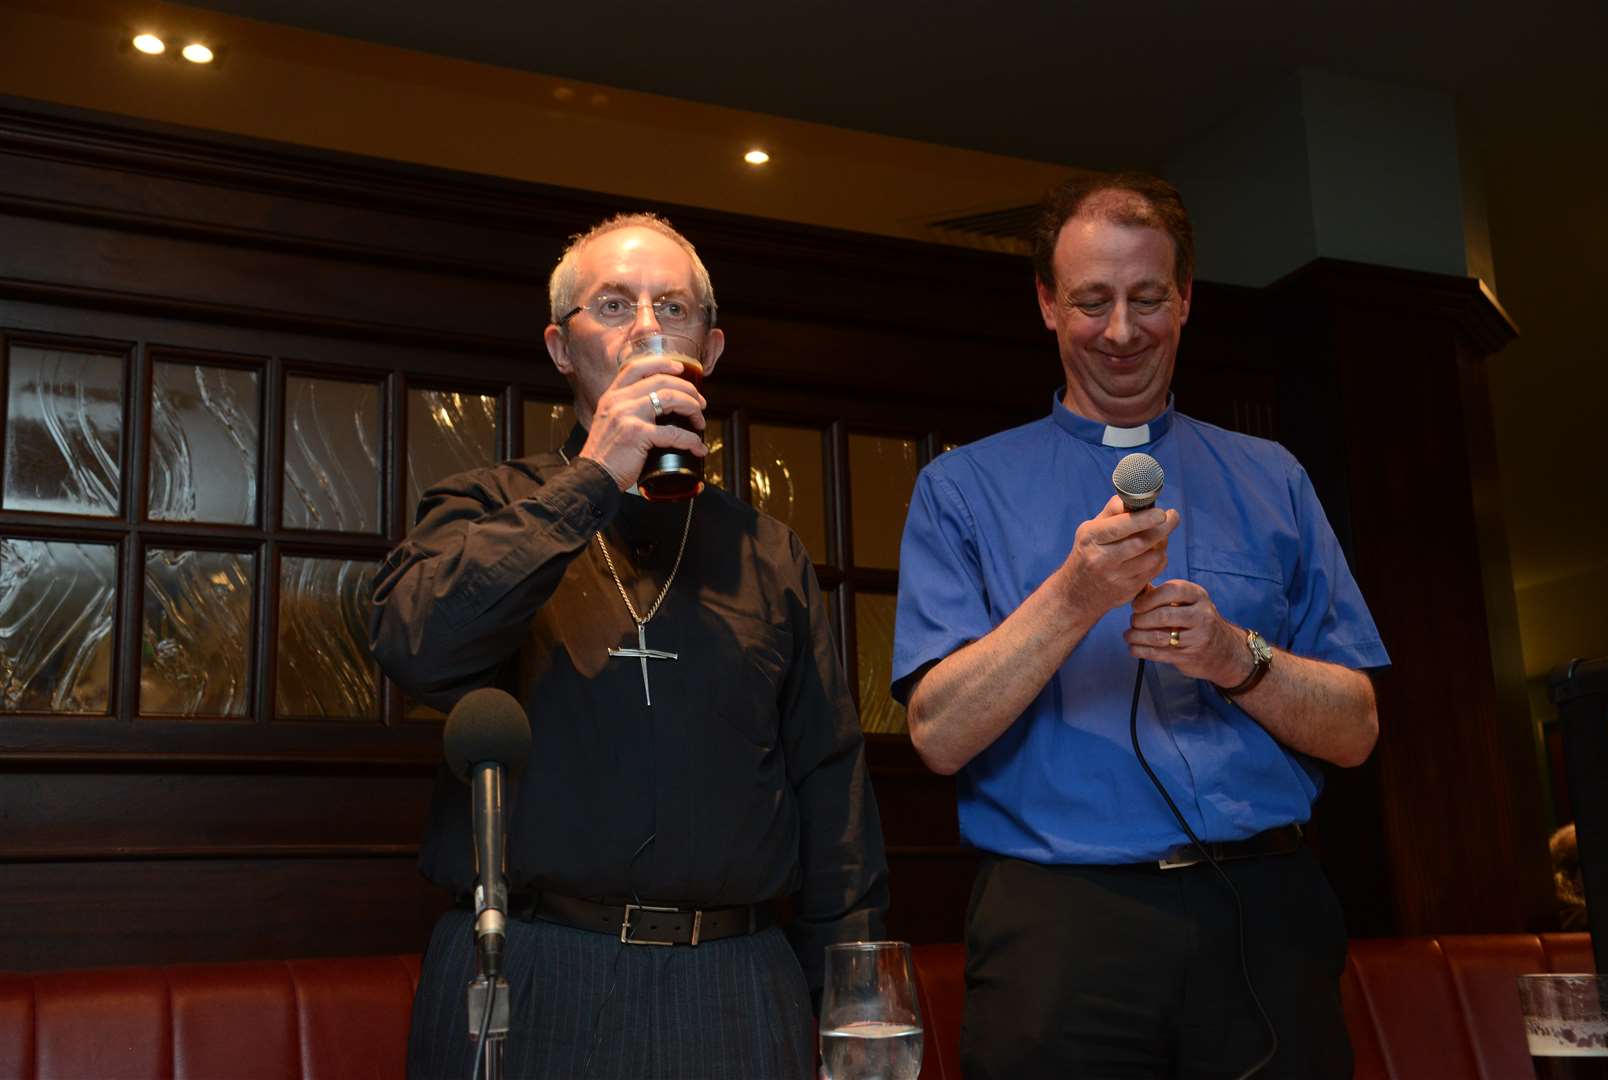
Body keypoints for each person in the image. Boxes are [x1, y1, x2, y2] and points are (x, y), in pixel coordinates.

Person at [891, 173, 1388, 1078]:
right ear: (1047, 305)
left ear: (1186, 300)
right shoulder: (961, 490)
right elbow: (937, 734)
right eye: (1091, 301)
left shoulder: (1272, 476)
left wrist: (1237, 656)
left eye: (1148, 298)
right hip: (1060, 928)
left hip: (1263, 916)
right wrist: (1074, 595)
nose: (1121, 332)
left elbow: (1355, 730)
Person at [370, 212, 888, 1080]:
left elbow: (833, 795)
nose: (647, 328)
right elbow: (417, 644)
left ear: (711, 351)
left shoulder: (769, 553)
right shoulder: (486, 505)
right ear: (560, 348)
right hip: (533, 968)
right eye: (614, 305)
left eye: (672, 308)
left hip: (733, 980)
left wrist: (854, 1001)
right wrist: (593, 480)